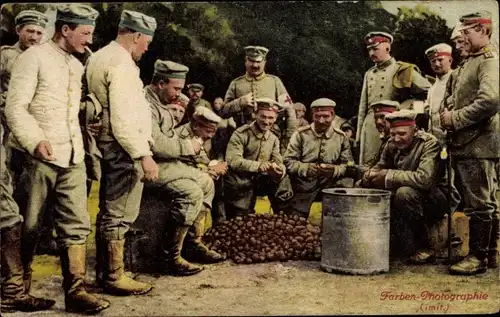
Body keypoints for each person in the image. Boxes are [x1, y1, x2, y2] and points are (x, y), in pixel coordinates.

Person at [4, 4, 110, 313]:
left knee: (76, 223)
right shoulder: (31, 58)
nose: (89, 40)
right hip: (35, 156)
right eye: (85, 33)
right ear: (65, 30)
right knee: (29, 224)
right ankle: (15, 290)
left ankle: (76, 291)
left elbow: (67, 109)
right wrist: (35, 140)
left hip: (72, 155)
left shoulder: (76, 66)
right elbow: (15, 108)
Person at [86, 9, 158, 295]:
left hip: (108, 145)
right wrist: (143, 154)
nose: (147, 47)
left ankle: (105, 273)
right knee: (119, 213)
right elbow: (124, 119)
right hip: (122, 149)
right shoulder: (121, 64)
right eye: (146, 42)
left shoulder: (99, 56)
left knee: (107, 212)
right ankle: (114, 275)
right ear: (136, 35)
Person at [145, 60, 225, 276]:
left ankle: (191, 243)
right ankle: (169, 257)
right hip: (149, 163)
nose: (180, 95)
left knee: (206, 183)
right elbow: (157, 144)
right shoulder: (146, 104)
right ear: (161, 83)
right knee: (191, 192)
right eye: (177, 88)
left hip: (167, 162)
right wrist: (187, 146)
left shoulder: (160, 102)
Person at [441, 11, 499, 275]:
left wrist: (455, 118)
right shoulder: (470, 61)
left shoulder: (488, 61)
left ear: (484, 31)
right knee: (483, 199)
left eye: (467, 31)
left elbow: (490, 101)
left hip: (479, 141)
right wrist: (448, 108)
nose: (462, 36)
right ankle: (489, 254)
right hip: (467, 141)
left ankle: (478, 258)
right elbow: (456, 95)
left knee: (479, 202)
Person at [362, 110, 457, 263]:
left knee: (404, 193)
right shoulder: (391, 144)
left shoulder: (429, 144)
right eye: (392, 134)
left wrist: (389, 175)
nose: (396, 139)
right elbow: (380, 166)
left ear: (415, 131)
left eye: (402, 134)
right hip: (414, 196)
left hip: (438, 197)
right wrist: (369, 175)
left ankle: (425, 247)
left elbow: (424, 179)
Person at [356, 31, 431, 166]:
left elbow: (428, 92)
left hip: (396, 126)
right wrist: (359, 133)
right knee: (368, 164)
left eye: (375, 49)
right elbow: (363, 106)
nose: (372, 53)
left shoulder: (403, 69)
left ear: (387, 48)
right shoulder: (369, 73)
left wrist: (409, 109)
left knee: (392, 163)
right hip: (371, 126)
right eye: (369, 50)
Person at [283, 98, 352, 217]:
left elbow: (350, 164)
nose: (321, 120)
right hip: (303, 188)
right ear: (312, 116)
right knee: (295, 220)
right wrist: (305, 168)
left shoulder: (341, 137)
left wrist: (335, 170)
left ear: (333, 115)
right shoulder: (300, 135)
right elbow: (288, 161)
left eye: (326, 116)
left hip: (332, 186)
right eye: (317, 116)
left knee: (337, 218)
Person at [222, 45, 296, 155]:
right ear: (245, 61)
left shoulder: (275, 82)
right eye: (251, 61)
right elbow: (224, 111)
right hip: (244, 137)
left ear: (264, 62)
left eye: (258, 62)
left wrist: (288, 140)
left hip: (271, 137)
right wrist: (240, 102)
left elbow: (290, 111)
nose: (255, 65)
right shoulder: (236, 84)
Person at [224, 98, 291, 219]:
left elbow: (278, 160)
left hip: (262, 181)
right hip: (241, 182)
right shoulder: (241, 134)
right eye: (263, 117)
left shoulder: (273, 138)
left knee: (283, 180)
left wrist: (279, 169)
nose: (266, 121)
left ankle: (283, 216)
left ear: (275, 118)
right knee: (241, 220)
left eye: (271, 118)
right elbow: (233, 160)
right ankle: (242, 213)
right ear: (255, 115)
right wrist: (258, 166)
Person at [175, 106, 229, 225]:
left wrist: (215, 165)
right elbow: (181, 165)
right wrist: (207, 170)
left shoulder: (195, 134)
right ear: (195, 126)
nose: (210, 136)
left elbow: (201, 156)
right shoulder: (181, 136)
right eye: (209, 131)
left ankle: (206, 229)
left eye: (213, 132)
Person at [424, 43, 454, 146]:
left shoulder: (456, 80)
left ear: (450, 60)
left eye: (440, 60)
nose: (436, 64)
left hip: (452, 140)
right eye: (433, 61)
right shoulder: (432, 88)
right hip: (435, 141)